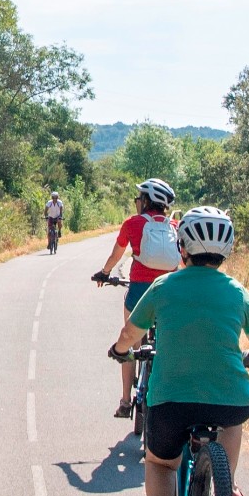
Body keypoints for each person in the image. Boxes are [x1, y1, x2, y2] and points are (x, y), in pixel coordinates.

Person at [107, 205, 249, 496]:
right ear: (227, 251)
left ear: (182, 247)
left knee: (160, 462)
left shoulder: (164, 286)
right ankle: (227, 486)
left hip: (171, 400)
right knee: (231, 423)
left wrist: (120, 350)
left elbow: (130, 333)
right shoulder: (237, 291)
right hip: (227, 399)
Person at [89, 177, 180, 416]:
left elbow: (116, 254)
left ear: (146, 200)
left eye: (139, 197)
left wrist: (105, 273)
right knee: (169, 342)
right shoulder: (175, 226)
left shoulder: (132, 224)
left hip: (140, 291)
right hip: (170, 292)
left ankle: (126, 401)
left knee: (131, 342)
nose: (137, 201)